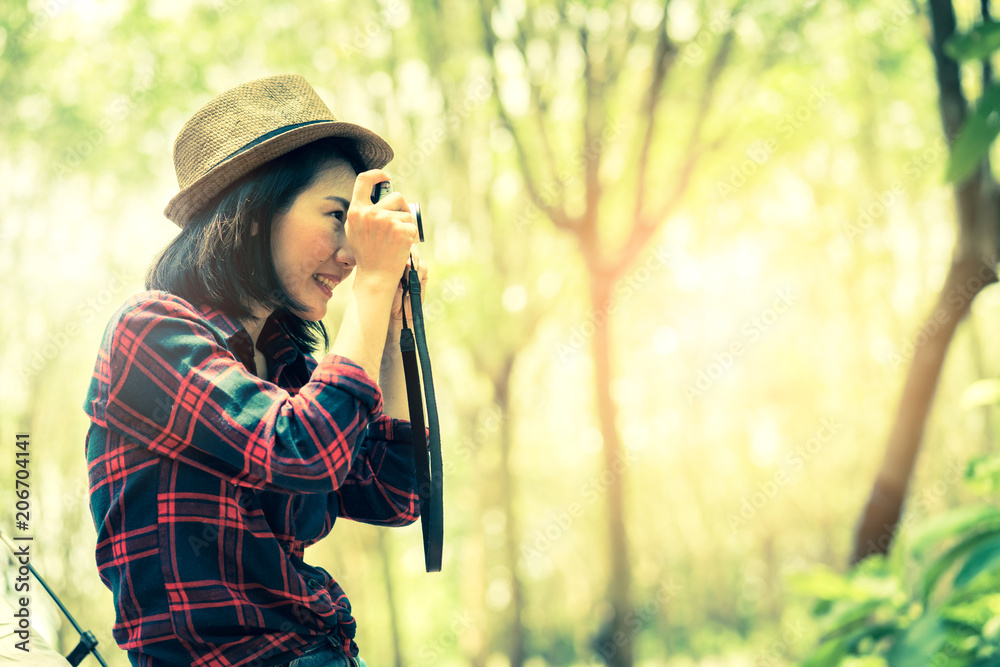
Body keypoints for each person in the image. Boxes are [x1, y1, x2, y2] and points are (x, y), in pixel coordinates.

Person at [83, 73, 428, 667]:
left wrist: (394, 327)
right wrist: (371, 287)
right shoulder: (150, 333)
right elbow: (300, 450)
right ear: (250, 217)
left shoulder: (289, 367)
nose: (350, 255)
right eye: (335, 218)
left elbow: (392, 492)